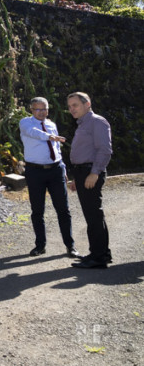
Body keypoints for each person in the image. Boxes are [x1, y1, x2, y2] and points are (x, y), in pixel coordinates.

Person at [19, 97, 80, 258]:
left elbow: (56, 148)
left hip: (56, 170)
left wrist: (63, 168)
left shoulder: (52, 124)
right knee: (37, 210)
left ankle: (70, 245)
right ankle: (40, 246)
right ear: (31, 110)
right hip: (35, 171)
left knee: (63, 209)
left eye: (44, 109)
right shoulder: (26, 123)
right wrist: (49, 137)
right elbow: (34, 133)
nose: (42, 112)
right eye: (38, 109)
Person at [67, 92, 113, 269]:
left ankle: (99, 257)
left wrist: (94, 173)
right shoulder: (83, 124)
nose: (72, 109)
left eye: (75, 105)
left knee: (94, 216)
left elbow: (105, 150)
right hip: (83, 173)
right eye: (70, 106)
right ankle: (99, 253)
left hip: (90, 172)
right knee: (92, 216)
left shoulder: (97, 122)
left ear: (87, 104)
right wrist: (77, 179)